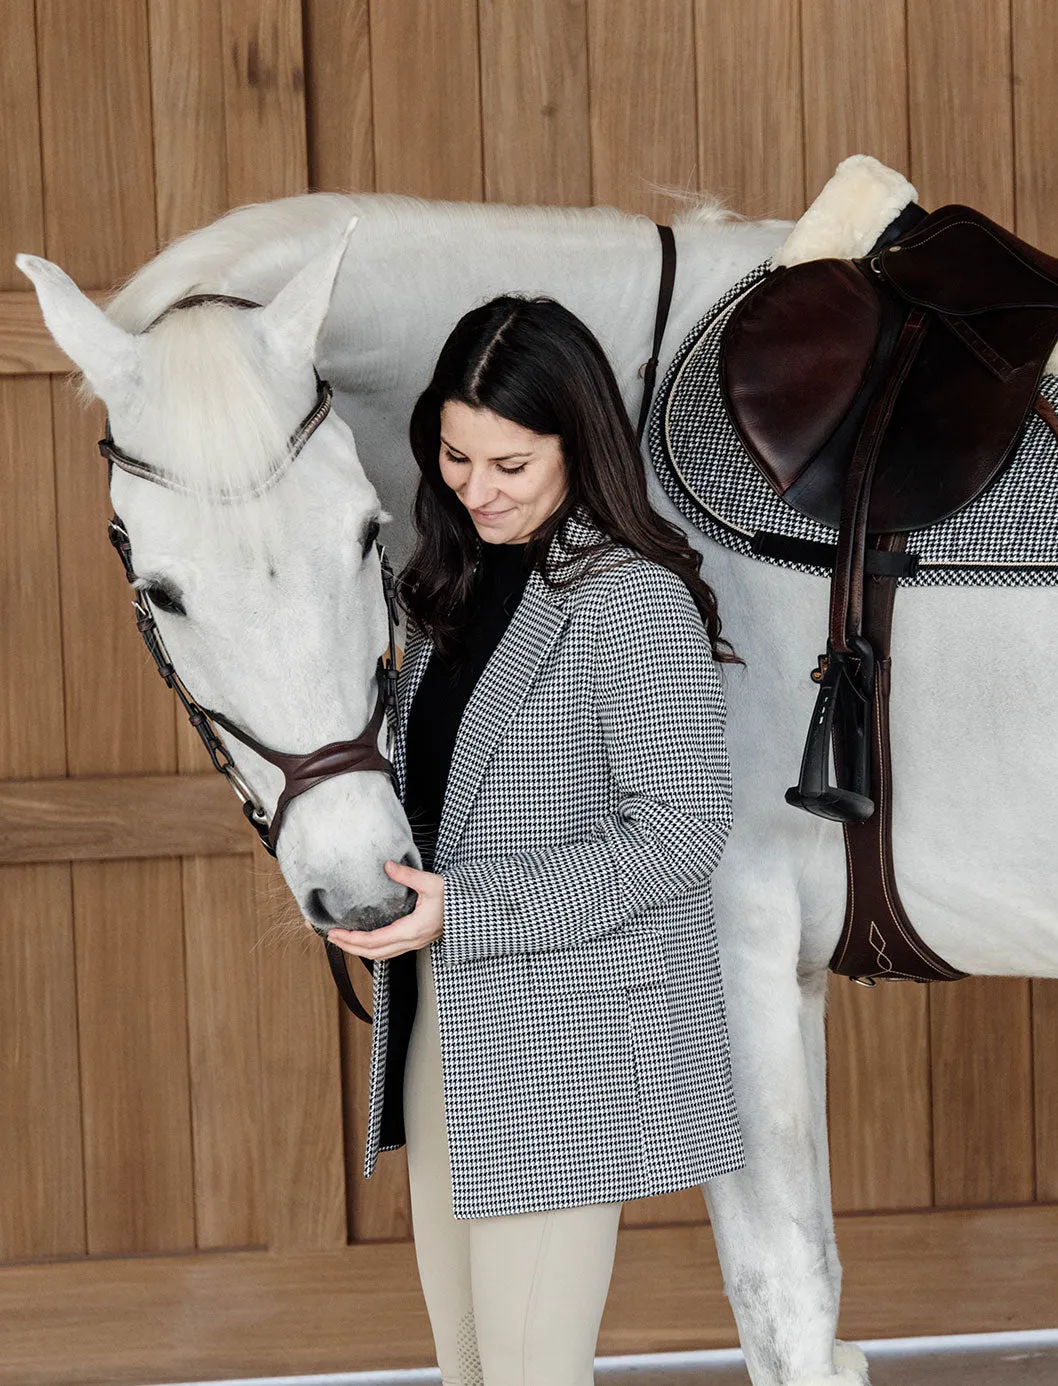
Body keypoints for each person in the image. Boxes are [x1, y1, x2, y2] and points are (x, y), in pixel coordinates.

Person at [326, 295, 747, 1386]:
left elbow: (679, 834)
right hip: (438, 1025)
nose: (477, 489)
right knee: (469, 1369)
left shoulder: (633, 602)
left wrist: (466, 906)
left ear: (579, 443)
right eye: (456, 458)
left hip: (565, 1046)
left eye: (510, 463)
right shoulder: (444, 590)